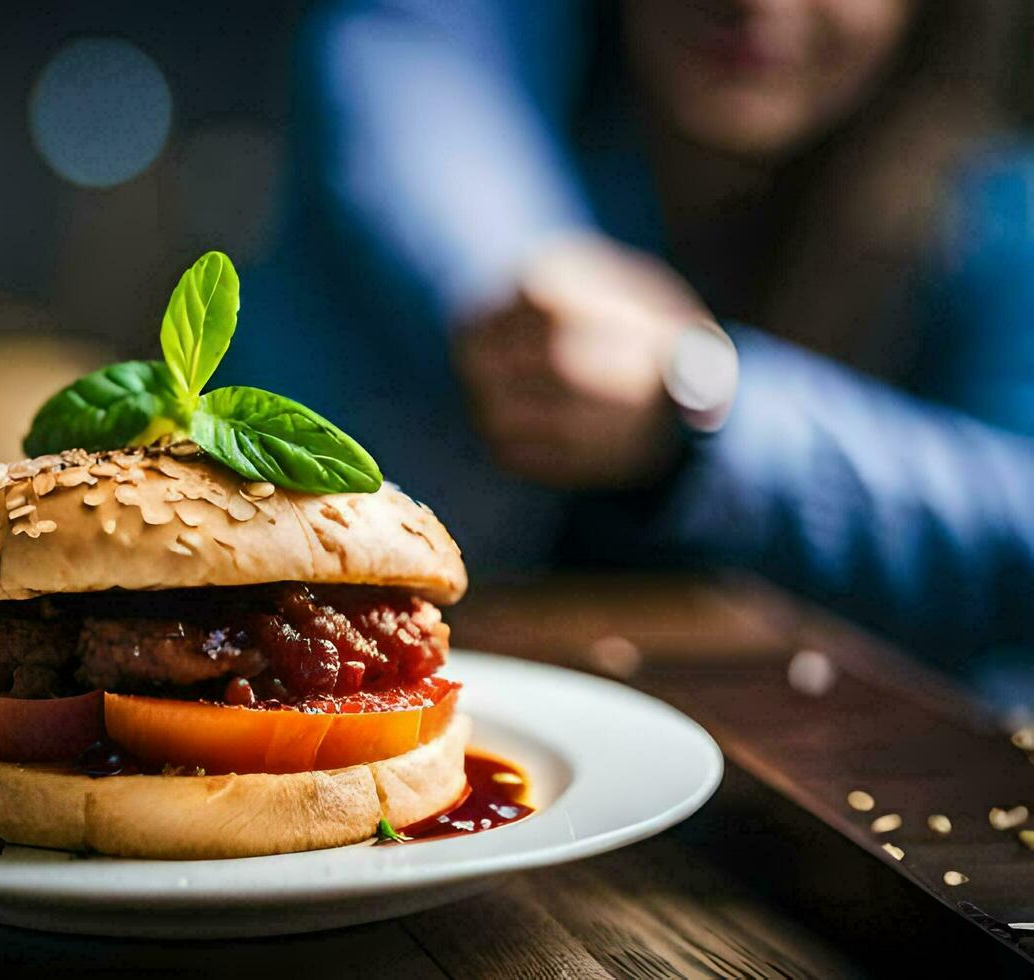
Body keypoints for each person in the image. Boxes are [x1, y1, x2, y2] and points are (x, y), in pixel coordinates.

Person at [221, 0, 1034, 680]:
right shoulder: (501, 43)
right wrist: (546, 295)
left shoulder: (993, 205)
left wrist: (703, 404)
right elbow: (408, 70)